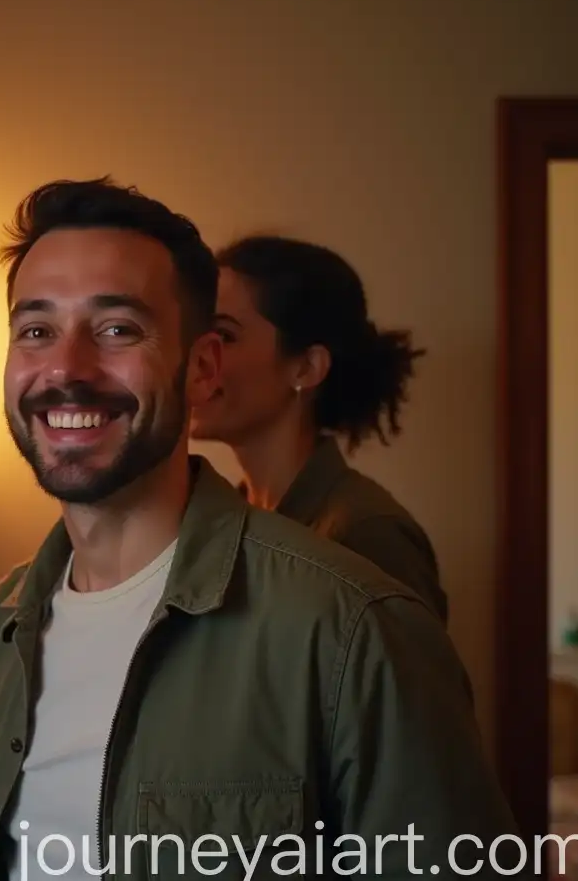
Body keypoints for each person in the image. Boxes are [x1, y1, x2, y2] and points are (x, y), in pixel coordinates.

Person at [0, 178, 543, 881]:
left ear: (201, 368)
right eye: (35, 330)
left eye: (116, 330)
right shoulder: (4, 621)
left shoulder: (352, 625)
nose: (66, 367)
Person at [190, 234, 448, 623]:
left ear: (307, 368)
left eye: (224, 336)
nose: (200, 359)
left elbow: (411, 682)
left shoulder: (368, 534)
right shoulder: (227, 521)